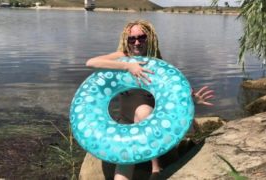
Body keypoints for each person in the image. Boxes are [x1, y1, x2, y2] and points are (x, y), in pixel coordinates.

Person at [85, 20, 214, 180]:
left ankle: (155, 166)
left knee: (144, 111)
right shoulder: (123, 57)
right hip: (126, 122)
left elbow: (175, 98)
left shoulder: (158, 65)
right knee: (125, 158)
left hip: (153, 122)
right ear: (126, 41)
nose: (136, 42)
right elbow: (91, 63)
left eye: (141, 38)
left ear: (150, 38)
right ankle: (154, 167)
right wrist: (128, 66)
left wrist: (192, 100)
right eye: (132, 39)